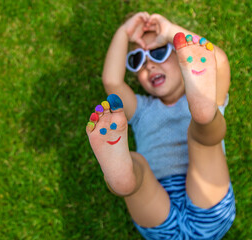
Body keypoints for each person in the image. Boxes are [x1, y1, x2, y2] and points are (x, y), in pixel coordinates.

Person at [86, 12, 235, 239]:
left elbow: (218, 61)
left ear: (180, 55)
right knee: (138, 164)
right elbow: (112, 81)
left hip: (165, 222)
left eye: (158, 52)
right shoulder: (140, 109)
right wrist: (124, 32)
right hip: (207, 210)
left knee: (195, 137)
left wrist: (169, 31)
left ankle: (128, 182)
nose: (150, 66)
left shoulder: (205, 92)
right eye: (137, 60)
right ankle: (125, 178)